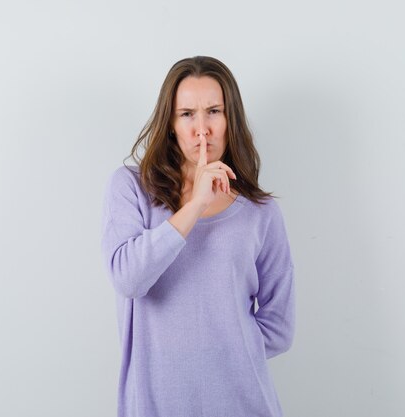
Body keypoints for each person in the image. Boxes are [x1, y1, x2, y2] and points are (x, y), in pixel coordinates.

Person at [101, 56, 296, 417]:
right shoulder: (131, 188)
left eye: (214, 111)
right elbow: (128, 279)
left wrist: (220, 348)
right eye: (187, 114)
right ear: (171, 124)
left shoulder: (260, 213)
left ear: (230, 120)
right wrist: (194, 206)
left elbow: (280, 327)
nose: (201, 128)